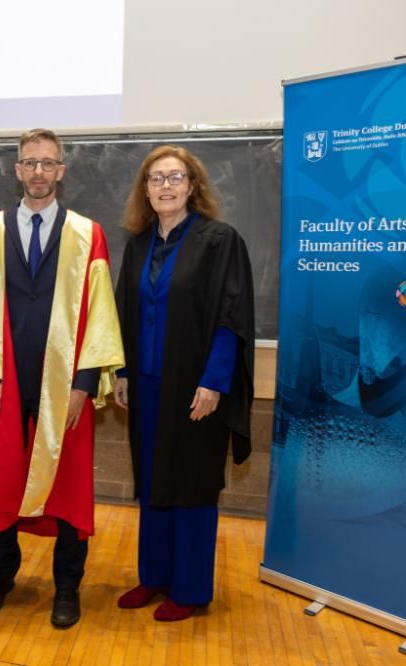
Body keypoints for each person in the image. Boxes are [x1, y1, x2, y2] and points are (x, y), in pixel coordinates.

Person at [0, 129, 124, 628]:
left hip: (64, 380)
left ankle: (67, 586)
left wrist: (85, 383)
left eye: (48, 164)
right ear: (16, 169)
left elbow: (99, 312)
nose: (38, 172)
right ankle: (2, 573)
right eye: (29, 163)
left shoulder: (87, 233)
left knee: (69, 482)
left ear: (61, 171)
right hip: (2, 378)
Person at [113, 145, 255, 621]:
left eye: (175, 177)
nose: (165, 186)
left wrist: (215, 381)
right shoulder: (138, 245)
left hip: (196, 387)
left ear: (192, 186)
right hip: (149, 385)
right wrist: (124, 373)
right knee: (153, 481)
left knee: (191, 484)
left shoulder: (220, 241)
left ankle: (190, 589)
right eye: (155, 179)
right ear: (145, 190)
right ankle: (153, 576)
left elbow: (230, 317)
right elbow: (121, 314)